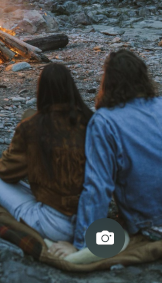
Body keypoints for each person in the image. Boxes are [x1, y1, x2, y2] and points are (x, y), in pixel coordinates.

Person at [50, 48, 162, 259]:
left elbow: (97, 187)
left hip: (149, 222)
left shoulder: (105, 121)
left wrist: (82, 244)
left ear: (108, 82)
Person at [0, 62, 93, 242]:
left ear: (41, 90)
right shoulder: (91, 121)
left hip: (55, 226)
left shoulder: (32, 126)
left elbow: (5, 172)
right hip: (90, 220)